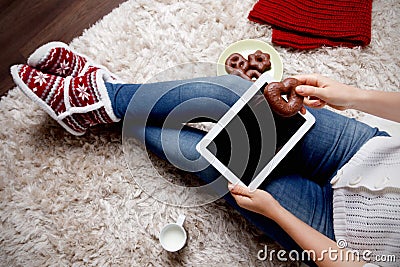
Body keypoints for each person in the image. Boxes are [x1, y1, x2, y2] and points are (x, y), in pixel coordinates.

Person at [10, 42, 400, 266]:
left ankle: (97, 102)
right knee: (231, 94)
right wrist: (350, 95)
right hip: (364, 151)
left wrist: (275, 212)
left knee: (204, 156)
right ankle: (107, 97)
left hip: (336, 235)